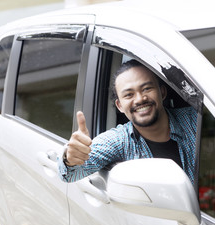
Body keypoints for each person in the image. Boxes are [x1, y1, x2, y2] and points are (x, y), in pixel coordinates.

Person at [58, 60, 197, 184]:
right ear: (119, 106)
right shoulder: (120, 140)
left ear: (162, 92)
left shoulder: (194, 119)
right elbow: (70, 175)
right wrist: (69, 157)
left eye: (147, 89)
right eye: (129, 95)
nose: (139, 99)